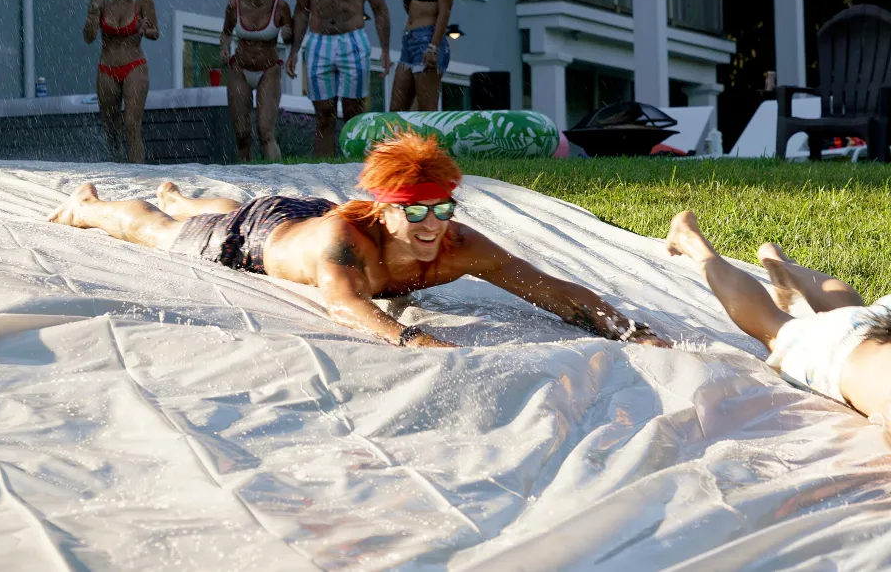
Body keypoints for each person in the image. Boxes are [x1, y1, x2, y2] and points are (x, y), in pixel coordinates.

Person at [48, 131, 668, 349]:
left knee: (210, 207)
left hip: (302, 211)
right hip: (252, 237)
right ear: (385, 209)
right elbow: (344, 304)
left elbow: (553, 291)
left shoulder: (454, 241)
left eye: (442, 208)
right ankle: (92, 206)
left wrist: (628, 328)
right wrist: (410, 337)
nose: (433, 226)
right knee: (158, 232)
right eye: (416, 213)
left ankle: (181, 196)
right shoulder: (348, 242)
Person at [665, 210, 891, 420]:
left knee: (857, 317)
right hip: (837, 355)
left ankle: (786, 269)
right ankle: (691, 241)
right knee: (771, 325)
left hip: (870, 332)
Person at [285, 0, 392, 157]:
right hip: (318, 41)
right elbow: (302, 9)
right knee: (323, 113)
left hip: (352, 39)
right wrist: (293, 51)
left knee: (354, 113)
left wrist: (386, 51)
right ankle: (324, 170)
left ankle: (356, 168)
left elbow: (379, 8)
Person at [83, 0, 159, 164]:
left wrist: (145, 29)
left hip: (134, 65)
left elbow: (156, 33)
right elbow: (88, 38)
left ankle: (139, 173)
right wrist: (92, 13)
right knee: (110, 128)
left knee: (131, 125)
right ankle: (116, 173)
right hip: (106, 67)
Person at [219, 0, 293, 162]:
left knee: (265, 132)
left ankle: (277, 180)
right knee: (242, 134)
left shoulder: (280, 6)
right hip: (240, 69)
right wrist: (224, 48)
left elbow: (290, 39)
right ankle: (245, 179)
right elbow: (225, 32)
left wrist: (287, 36)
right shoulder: (234, 5)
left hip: (268, 69)